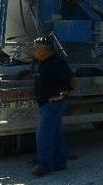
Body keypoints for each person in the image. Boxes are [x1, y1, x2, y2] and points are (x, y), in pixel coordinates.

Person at [32, 36, 76, 177]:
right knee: (55, 134)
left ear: (46, 50)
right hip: (47, 104)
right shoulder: (44, 62)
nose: (34, 50)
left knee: (43, 135)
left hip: (52, 105)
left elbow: (73, 81)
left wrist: (63, 95)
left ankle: (44, 165)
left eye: (37, 48)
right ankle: (59, 162)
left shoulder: (57, 62)